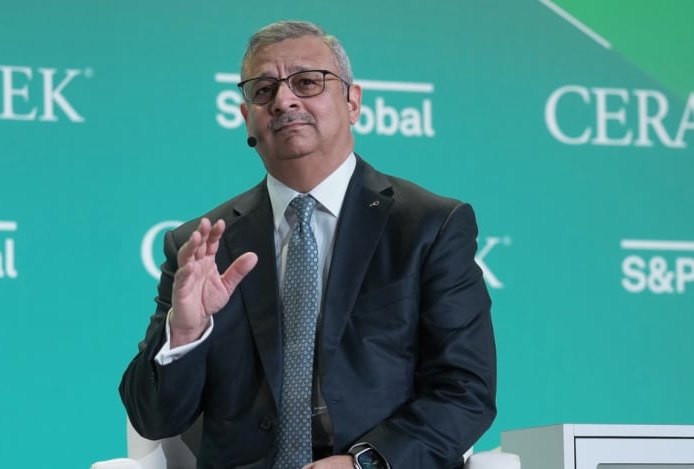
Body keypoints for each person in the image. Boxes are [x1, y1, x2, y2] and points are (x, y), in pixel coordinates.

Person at [120, 20, 496, 469]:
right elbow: (152, 419)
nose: (283, 100)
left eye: (306, 82)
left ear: (352, 101)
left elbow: (465, 390)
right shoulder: (202, 245)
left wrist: (365, 463)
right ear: (246, 118)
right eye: (263, 91)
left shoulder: (428, 226)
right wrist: (184, 333)